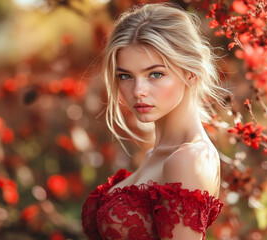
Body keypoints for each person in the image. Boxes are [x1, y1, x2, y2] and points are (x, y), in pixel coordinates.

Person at [82, 3, 227, 239]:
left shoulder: (188, 159)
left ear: (191, 73)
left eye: (155, 74)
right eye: (126, 76)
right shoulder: (156, 154)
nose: (138, 90)